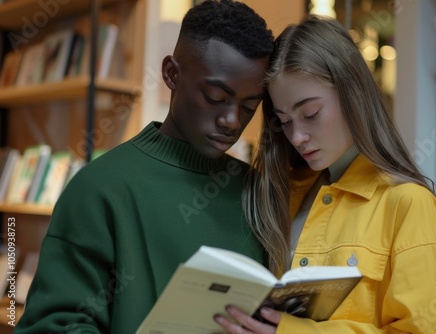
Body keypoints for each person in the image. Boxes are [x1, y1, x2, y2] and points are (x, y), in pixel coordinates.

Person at [15, 1, 274, 333]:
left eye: (249, 106)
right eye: (214, 96)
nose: (231, 120)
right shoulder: (99, 187)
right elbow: (53, 325)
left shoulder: (256, 192)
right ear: (171, 74)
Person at [214, 15, 436, 334]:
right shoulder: (280, 195)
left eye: (311, 114)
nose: (297, 136)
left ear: (353, 94)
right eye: (285, 121)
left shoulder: (408, 204)